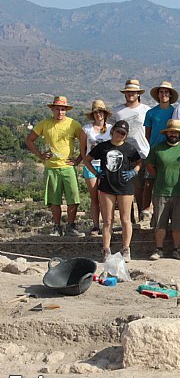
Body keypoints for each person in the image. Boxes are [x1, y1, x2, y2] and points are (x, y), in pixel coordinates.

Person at [25, 96, 86, 237]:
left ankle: (71, 227)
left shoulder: (74, 124)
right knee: (54, 200)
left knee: (73, 198)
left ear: (66, 110)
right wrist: (40, 155)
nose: (60, 112)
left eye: (63, 109)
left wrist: (78, 159)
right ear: (52, 109)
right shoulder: (44, 124)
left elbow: (85, 142)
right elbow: (29, 140)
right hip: (51, 167)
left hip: (68, 167)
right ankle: (57, 227)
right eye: (57, 109)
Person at [84, 120, 141, 262]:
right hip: (106, 187)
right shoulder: (102, 147)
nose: (120, 135)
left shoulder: (129, 149)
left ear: (126, 135)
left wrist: (134, 172)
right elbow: (87, 160)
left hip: (125, 187)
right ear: (112, 131)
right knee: (108, 220)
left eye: (123, 133)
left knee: (125, 219)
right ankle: (106, 249)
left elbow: (139, 162)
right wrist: (96, 173)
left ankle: (126, 248)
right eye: (118, 132)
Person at [147, 119, 180, 261]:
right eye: (171, 131)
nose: (173, 134)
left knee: (178, 223)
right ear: (167, 133)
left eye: (176, 132)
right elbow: (150, 166)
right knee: (160, 222)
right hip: (161, 191)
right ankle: (158, 249)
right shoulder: (157, 148)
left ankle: (176, 250)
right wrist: (161, 177)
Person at [111, 79, 151, 224]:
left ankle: (142, 214)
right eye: (128, 92)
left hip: (142, 152)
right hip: (123, 155)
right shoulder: (117, 112)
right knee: (126, 188)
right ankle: (129, 218)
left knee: (141, 187)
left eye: (133, 92)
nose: (130, 94)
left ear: (138, 93)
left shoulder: (146, 110)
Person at [143, 81, 180, 224]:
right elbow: (148, 133)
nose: (163, 95)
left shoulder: (175, 112)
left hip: (171, 151)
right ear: (157, 95)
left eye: (166, 92)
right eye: (161, 92)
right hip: (155, 151)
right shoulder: (151, 113)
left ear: (170, 95)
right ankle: (146, 211)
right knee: (149, 181)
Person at [81, 100, 113, 236]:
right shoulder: (86, 129)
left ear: (105, 113)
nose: (98, 114)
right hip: (91, 165)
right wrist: (85, 161)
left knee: (105, 196)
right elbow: (82, 149)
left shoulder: (111, 129)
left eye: (100, 112)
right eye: (96, 112)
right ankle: (96, 225)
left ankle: (107, 223)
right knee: (94, 197)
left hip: (107, 166)